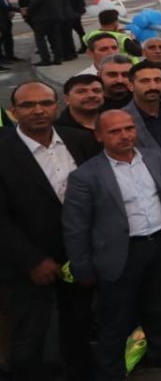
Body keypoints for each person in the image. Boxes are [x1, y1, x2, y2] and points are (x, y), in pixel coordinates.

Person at [62, 110, 161, 378]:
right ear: (99, 136)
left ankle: (160, 353)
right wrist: (82, 267)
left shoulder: (154, 158)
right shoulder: (85, 176)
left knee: (160, 305)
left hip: (160, 244)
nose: (124, 136)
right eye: (115, 131)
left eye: (129, 128)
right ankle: (110, 370)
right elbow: (75, 227)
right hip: (121, 253)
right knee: (116, 317)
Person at [0, 81, 97, 380]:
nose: (38, 110)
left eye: (45, 103)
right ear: (13, 112)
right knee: (31, 333)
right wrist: (32, 260)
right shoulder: (3, 150)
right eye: (28, 105)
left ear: (57, 106)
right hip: (27, 263)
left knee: (78, 323)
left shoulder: (80, 140)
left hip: (78, 254)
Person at [26, 0, 72, 66]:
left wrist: (28, 11)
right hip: (56, 18)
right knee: (55, 39)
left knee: (40, 39)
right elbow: (63, 2)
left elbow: (36, 3)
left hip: (41, 19)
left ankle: (45, 60)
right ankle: (58, 58)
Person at [56, 74, 105, 138]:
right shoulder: (56, 129)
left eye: (96, 91)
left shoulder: (114, 119)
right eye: (81, 92)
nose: (91, 95)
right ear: (66, 99)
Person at [0, 0, 19, 64]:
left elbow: (8, 5)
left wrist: (12, 11)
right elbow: (3, 7)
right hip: (1, 21)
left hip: (6, 20)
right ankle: (2, 59)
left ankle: (10, 56)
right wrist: (19, 10)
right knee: (2, 40)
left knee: (8, 38)